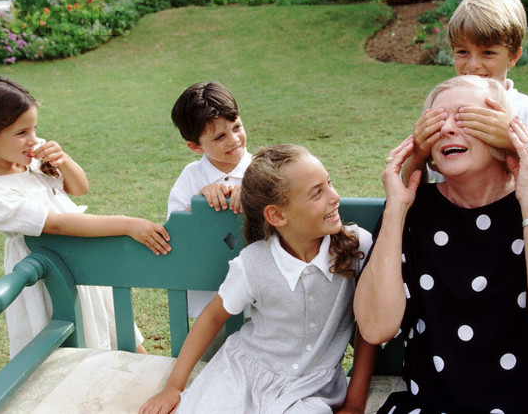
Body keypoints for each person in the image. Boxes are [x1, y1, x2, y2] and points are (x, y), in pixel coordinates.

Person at [354, 75, 528, 413]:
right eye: (437, 120)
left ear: (504, 130)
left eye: (465, 117)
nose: (447, 129)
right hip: (434, 405)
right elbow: (375, 326)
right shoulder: (413, 209)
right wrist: (396, 210)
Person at [140, 144, 375, 414]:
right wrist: (173, 387)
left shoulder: (357, 247)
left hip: (312, 390)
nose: (335, 197)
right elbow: (213, 316)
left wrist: (355, 402)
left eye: (329, 183)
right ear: (276, 215)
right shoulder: (253, 263)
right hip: (242, 374)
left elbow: (369, 327)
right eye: (317, 193)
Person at [0, 76, 171, 358]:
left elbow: (80, 188)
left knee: (116, 330)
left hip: (83, 263)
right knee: (72, 352)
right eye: (21, 133)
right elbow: (57, 223)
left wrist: (64, 160)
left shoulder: (31, 160)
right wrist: (128, 225)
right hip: (47, 277)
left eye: (34, 129)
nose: (33, 140)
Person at [401, 0, 528, 186]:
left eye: (488, 53)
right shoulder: (442, 107)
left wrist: (512, 139)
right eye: (463, 52)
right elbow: (406, 184)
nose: (473, 64)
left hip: (515, 213)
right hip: (453, 213)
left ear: (514, 56)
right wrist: (419, 155)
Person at [168, 81, 253, 325]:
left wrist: (254, 196)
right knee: (211, 360)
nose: (234, 140)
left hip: (261, 299)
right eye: (220, 137)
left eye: (237, 127)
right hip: (210, 298)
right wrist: (199, 206)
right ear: (195, 146)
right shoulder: (191, 177)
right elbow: (173, 234)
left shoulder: (262, 169)